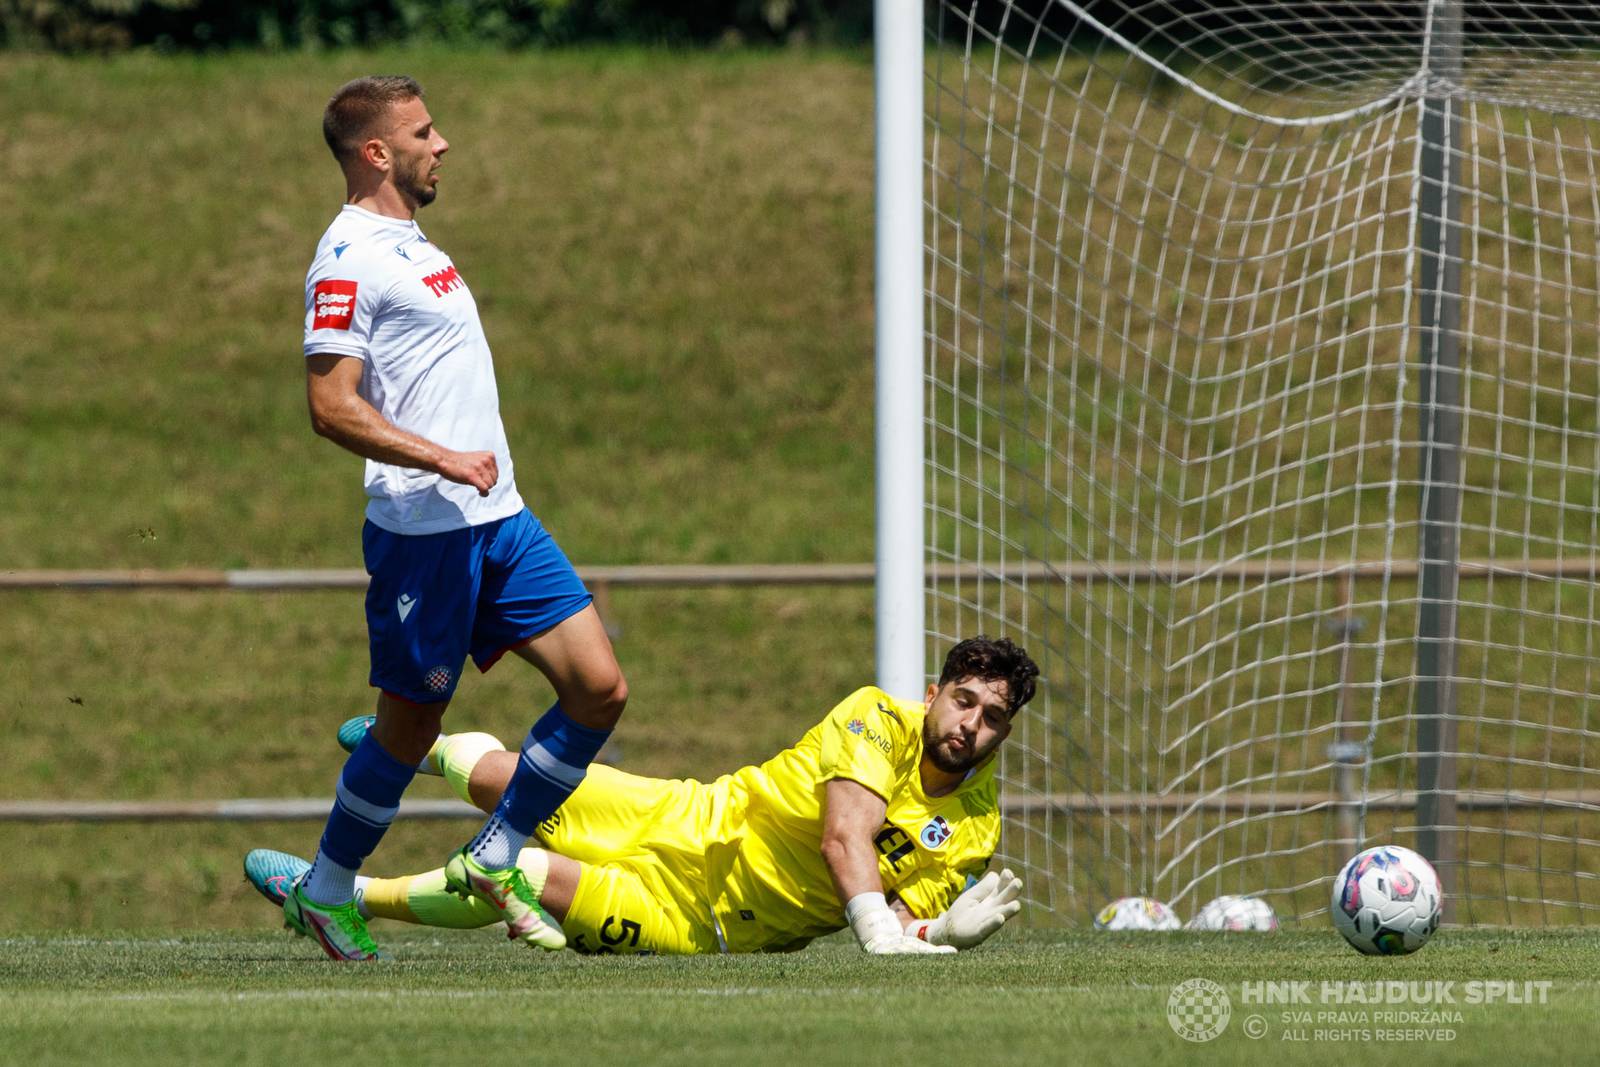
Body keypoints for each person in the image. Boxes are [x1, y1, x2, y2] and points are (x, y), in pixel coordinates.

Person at [292, 74, 628, 961]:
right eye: (424, 132)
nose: (442, 145)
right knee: (409, 730)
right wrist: (440, 457)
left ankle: (498, 850)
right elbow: (330, 405)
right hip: (426, 534)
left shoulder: (412, 240)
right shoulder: (346, 256)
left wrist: (474, 469)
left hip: (501, 516)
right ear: (377, 153)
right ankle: (327, 890)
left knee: (599, 688)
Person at [247, 637, 1037, 956]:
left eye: (992, 716)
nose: (970, 724)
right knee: (510, 780)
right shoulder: (876, 715)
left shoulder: (974, 827)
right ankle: (412, 746)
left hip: (706, 925)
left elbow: (906, 926)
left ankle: (340, 895)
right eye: (963, 700)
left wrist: (941, 932)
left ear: (1006, 731)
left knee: (525, 875)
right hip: (688, 815)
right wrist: (887, 932)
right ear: (933, 693)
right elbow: (844, 838)